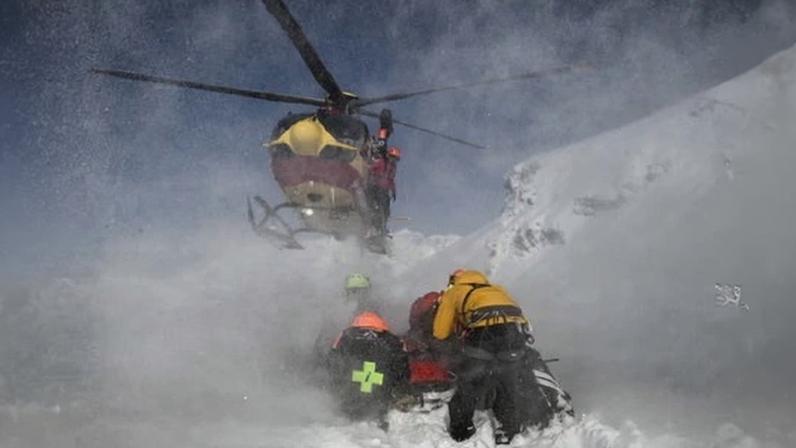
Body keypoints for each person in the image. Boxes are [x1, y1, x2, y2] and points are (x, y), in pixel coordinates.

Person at [433, 269, 549, 445]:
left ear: (454, 281)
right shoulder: (498, 289)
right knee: (507, 384)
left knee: (469, 384)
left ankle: (461, 431)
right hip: (513, 337)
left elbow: (440, 332)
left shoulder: (455, 291)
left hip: (482, 337)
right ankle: (508, 431)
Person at [327, 310, 410, 429]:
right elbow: (402, 370)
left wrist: (336, 387)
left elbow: (332, 364)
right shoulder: (393, 341)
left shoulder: (344, 337)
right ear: (381, 323)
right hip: (379, 401)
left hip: (349, 400)